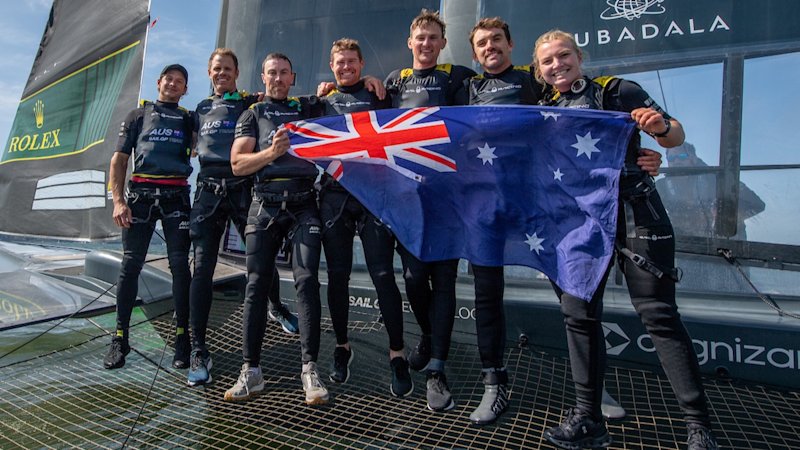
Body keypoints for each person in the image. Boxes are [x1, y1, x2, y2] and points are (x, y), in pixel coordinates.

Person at [533, 30, 718, 449]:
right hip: (579, 224)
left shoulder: (617, 91)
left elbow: (674, 135)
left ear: (580, 57)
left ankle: (699, 427)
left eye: (564, 55)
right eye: (548, 61)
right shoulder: (543, 109)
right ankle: (588, 420)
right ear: (539, 70)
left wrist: (660, 128)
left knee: (658, 315)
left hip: (636, 211)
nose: (558, 64)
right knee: (578, 315)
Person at [187, 48, 299, 387]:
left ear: (237, 73)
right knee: (202, 269)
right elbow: (189, 145)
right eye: (217, 68)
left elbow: (281, 103)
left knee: (259, 261)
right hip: (207, 191)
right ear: (209, 73)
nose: (222, 73)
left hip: (242, 188)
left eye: (228, 69)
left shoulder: (251, 102)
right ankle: (198, 349)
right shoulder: (200, 109)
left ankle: (276, 306)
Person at [382, 10, 476, 412]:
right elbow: (367, 116)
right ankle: (427, 335)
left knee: (444, 281)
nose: (426, 43)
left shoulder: (458, 77)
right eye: (420, 37)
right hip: (407, 200)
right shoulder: (394, 81)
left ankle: (436, 369)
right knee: (414, 278)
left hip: (450, 198)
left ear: (442, 43)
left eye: (433, 37)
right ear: (410, 42)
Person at [223, 53, 328, 405]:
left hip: (303, 204)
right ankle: (251, 371)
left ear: (292, 77)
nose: (279, 79)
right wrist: (271, 153)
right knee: (255, 284)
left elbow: (343, 105)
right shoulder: (252, 114)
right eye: (273, 73)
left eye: (284, 73)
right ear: (263, 77)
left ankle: (310, 370)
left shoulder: (308, 108)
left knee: (307, 280)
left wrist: (353, 85)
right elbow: (238, 164)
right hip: (265, 203)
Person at [317, 38, 416, 398]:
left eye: (352, 62)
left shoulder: (379, 95)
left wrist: (375, 81)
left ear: (361, 64)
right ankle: (342, 347)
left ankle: (397, 354)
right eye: (340, 62)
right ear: (332, 66)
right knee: (337, 277)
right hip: (335, 198)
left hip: (373, 196)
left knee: (383, 275)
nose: (346, 67)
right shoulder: (321, 101)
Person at [104, 64, 195, 370]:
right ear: (159, 82)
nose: (173, 84)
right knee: (131, 265)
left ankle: (182, 338)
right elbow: (118, 160)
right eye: (169, 79)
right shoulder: (137, 115)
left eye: (179, 81)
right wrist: (118, 202)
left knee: (180, 266)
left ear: (185, 89)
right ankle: (120, 338)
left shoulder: (189, 119)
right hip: (139, 198)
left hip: (176, 198)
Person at [657, 142, 764, 240]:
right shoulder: (661, 186)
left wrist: (723, 217)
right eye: (671, 158)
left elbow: (757, 204)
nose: (676, 161)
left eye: (682, 156)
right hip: (685, 247)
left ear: (694, 158)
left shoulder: (718, 178)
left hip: (721, 247)